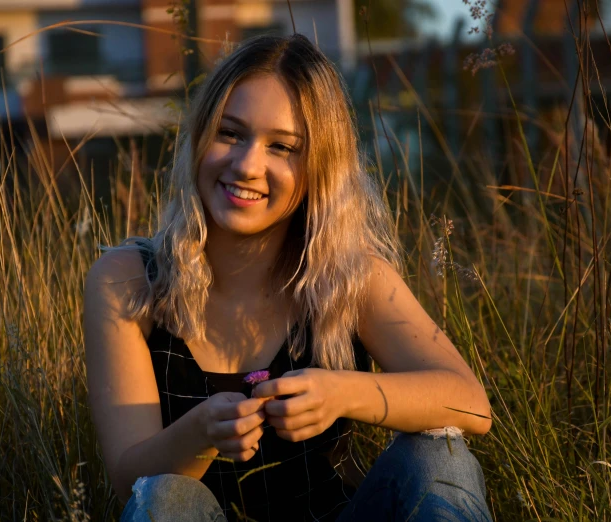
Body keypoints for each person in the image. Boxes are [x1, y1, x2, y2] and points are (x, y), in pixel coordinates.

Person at [83, 34, 492, 522]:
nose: (248, 165)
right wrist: (200, 434)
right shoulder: (128, 281)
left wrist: (341, 392)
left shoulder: (350, 276)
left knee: (437, 458)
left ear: (319, 168)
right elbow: (131, 481)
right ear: (199, 136)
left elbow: (470, 405)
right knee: (166, 497)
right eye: (230, 133)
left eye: (282, 147)